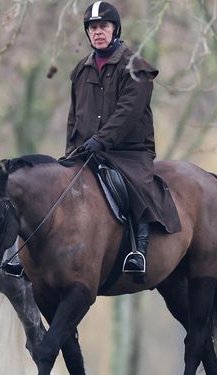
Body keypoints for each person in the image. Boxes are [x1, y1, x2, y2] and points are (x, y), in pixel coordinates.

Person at [66, 1, 181, 278]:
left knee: (135, 188)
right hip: (87, 151)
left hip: (129, 152)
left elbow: (127, 114)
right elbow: (74, 116)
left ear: (115, 29)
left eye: (103, 26)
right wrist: (70, 152)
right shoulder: (81, 70)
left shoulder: (135, 69)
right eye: (93, 28)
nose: (98, 32)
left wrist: (101, 140)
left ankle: (138, 250)